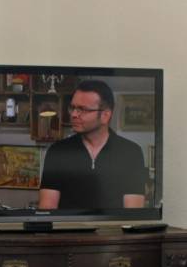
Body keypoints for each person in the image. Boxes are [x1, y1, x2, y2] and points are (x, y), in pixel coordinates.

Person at [37, 80, 148, 210]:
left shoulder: (131, 153)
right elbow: (47, 209)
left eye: (82, 109)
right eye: (72, 108)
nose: (74, 114)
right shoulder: (57, 151)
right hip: (68, 224)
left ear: (105, 115)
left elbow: (132, 213)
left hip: (112, 224)